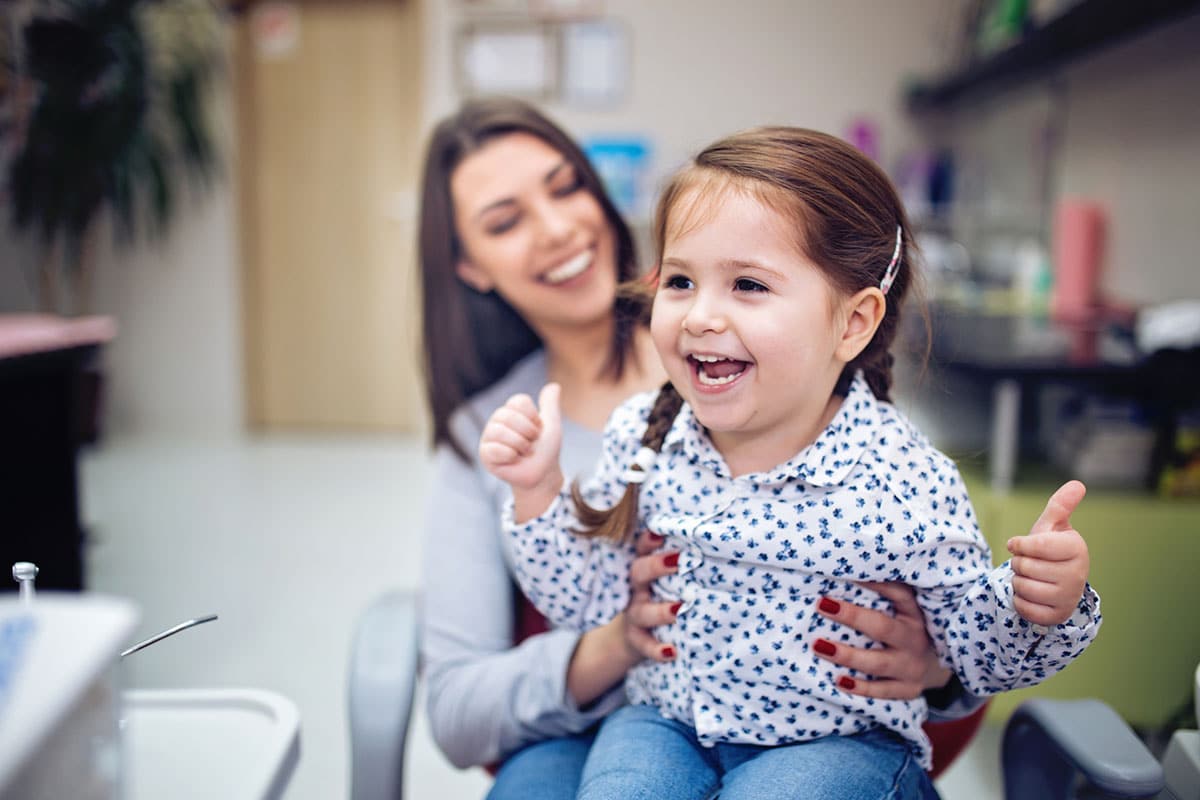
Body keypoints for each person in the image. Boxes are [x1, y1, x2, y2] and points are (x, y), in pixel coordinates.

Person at [418, 98, 1016, 800]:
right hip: (629, 724)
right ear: (469, 266)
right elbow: (457, 711)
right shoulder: (492, 435)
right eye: (505, 220)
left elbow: (969, 641)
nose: (555, 228)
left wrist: (937, 667)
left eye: (565, 186)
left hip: (825, 743)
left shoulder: (827, 403)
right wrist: (616, 642)